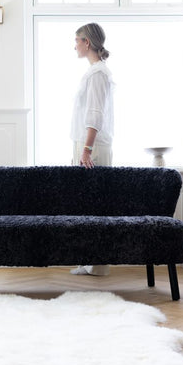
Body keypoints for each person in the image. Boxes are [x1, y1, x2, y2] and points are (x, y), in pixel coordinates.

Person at [70, 23, 115, 277]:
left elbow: (95, 116)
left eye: (76, 40)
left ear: (87, 42)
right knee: (86, 205)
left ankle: (97, 265)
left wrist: (86, 149)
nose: (74, 45)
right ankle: (89, 262)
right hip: (88, 145)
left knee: (94, 206)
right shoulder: (94, 72)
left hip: (93, 147)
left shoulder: (98, 73)